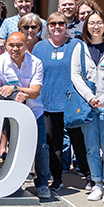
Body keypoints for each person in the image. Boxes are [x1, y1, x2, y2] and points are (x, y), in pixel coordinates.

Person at [71, 10, 104, 204]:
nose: (95, 26)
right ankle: (97, 184)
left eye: (99, 23)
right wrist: (90, 97)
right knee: (92, 147)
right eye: (91, 23)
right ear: (86, 26)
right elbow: (75, 75)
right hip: (88, 104)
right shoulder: (80, 47)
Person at [0, 32, 47, 199]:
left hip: (34, 112)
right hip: (11, 115)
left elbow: (35, 92)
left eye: (19, 45)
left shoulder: (36, 63)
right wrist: (13, 96)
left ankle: (42, 183)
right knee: (14, 149)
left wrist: (14, 90)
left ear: (26, 46)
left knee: (41, 148)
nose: (15, 48)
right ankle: (15, 183)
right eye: (11, 45)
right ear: (6, 46)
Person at [32, 11, 81, 192]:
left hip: (72, 102)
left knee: (80, 142)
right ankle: (57, 179)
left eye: (61, 23)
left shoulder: (76, 44)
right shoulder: (39, 48)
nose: (57, 27)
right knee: (54, 145)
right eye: (53, 24)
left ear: (66, 25)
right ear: (48, 27)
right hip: (48, 103)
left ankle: (90, 177)